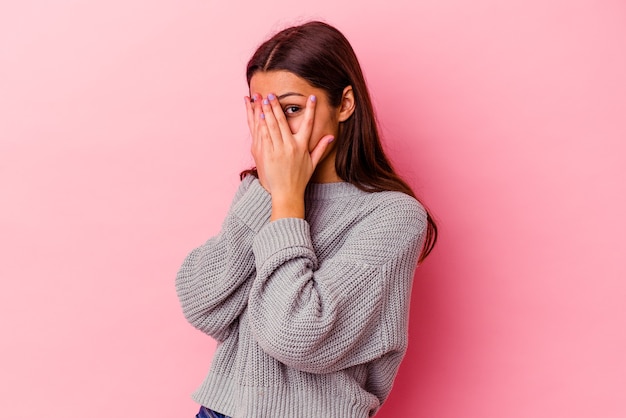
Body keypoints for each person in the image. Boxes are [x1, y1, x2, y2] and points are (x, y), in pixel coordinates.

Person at [176, 20, 437, 418]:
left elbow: (297, 334)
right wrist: (269, 190)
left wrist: (286, 199)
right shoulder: (258, 192)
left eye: (292, 109)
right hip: (219, 411)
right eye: (263, 112)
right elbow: (202, 304)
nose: (276, 129)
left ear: (345, 104)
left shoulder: (393, 216)